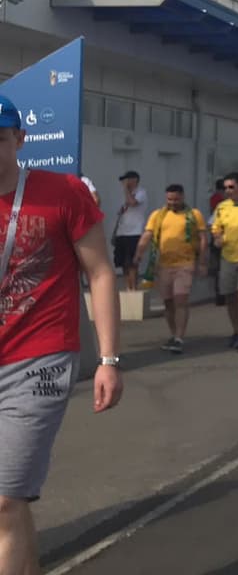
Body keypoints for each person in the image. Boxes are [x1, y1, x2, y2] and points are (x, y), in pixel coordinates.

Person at [0, 94, 123, 574]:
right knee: (12, 504)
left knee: (5, 502)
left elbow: (101, 273)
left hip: (40, 359)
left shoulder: (63, 192)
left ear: (19, 139)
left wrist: (109, 360)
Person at [135, 183, 208, 354]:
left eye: (176, 199)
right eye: (169, 199)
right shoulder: (158, 215)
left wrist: (203, 262)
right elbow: (147, 235)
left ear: (182, 197)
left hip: (185, 264)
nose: (172, 202)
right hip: (164, 265)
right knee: (168, 303)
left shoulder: (194, 215)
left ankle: (179, 338)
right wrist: (139, 253)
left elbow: (203, 239)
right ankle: (174, 334)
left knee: (180, 300)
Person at [212, 171, 238, 350]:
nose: (228, 190)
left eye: (231, 187)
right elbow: (216, 228)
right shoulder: (222, 207)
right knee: (230, 297)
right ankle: (236, 331)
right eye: (225, 187)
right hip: (228, 257)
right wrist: (217, 237)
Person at [112, 170, 147, 289]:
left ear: (134, 180)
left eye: (127, 179)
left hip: (134, 233)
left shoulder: (141, 192)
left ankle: (134, 288)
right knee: (123, 263)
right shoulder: (124, 195)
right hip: (122, 232)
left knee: (132, 263)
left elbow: (132, 202)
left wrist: (126, 189)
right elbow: (121, 213)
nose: (124, 182)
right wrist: (115, 232)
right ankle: (128, 287)